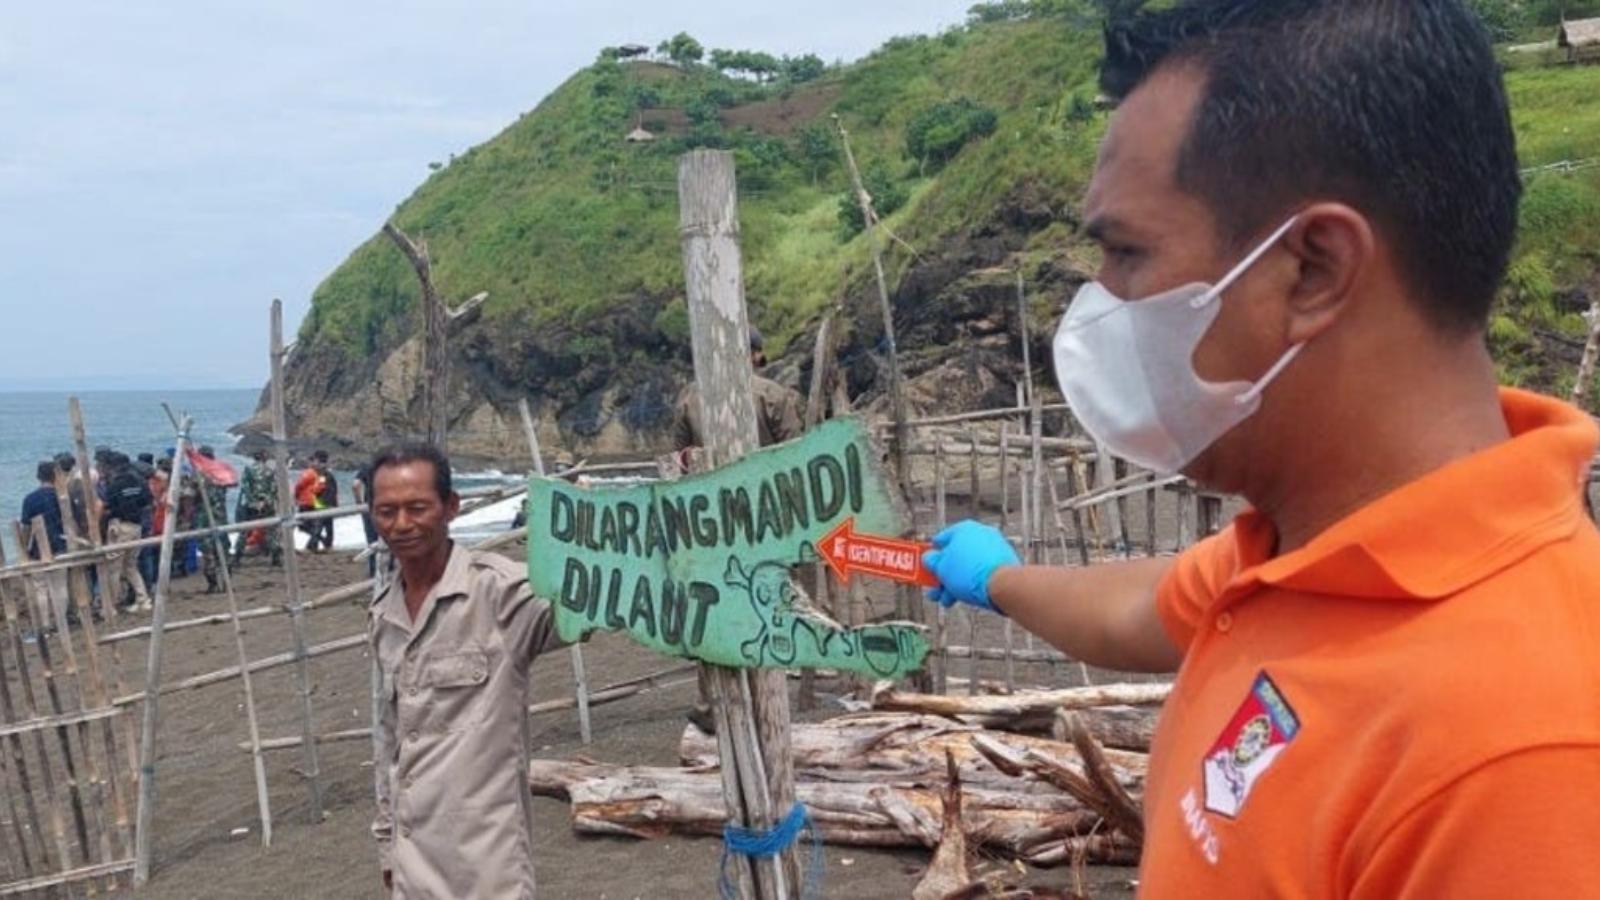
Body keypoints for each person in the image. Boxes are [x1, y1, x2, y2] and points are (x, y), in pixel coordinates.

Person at [922, 2, 1600, 896]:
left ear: (1312, 269)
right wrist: (995, 579)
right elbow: (1143, 607)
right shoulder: (1310, 555)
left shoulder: (1525, 759)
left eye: (1126, 252)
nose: (1099, 301)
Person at [366, 443, 571, 897]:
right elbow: (388, 740)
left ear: (450, 507)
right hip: (412, 861)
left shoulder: (502, 593)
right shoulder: (385, 614)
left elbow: (591, 602)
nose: (401, 524)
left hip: (486, 866)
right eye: (387, 511)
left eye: (417, 508)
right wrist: (387, 844)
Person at [671, 326, 808, 736]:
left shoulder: (691, 398)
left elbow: (679, 462)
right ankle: (770, 689)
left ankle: (711, 698)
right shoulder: (773, 396)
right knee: (770, 596)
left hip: (710, 517)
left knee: (714, 601)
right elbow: (795, 457)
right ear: (754, 355)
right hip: (766, 514)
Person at [670, 325, 805, 454]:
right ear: (754, 356)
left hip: (715, 476)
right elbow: (794, 449)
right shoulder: (772, 393)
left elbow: (680, 459)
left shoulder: (688, 397)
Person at [20, 461, 72, 631]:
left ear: (38, 477)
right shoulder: (62, 496)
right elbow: (70, 522)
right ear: (55, 476)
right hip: (60, 543)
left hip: (38, 548)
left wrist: (23, 548)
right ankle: (60, 622)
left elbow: (26, 527)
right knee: (60, 586)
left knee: (40, 587)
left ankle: (44, 624)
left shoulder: (30, 499)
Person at [103, 453, 154, 613]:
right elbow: (147, 501)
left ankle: (111, 606)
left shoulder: (114, 485)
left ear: (114, 467)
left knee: (114, 568)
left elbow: (109, 505)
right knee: (131, 566)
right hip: (136, 525)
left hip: (119, 526)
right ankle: (143, 599)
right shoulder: (139, 482)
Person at [234, 450, 281, 566]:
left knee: (244, 531)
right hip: (267, 505)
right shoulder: (270, 471)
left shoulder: (249, 469)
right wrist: (266, 501)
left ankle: (236, 557)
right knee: (271, 531)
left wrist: (253, 502)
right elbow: (274, 489)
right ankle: (276, 557)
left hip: (251, 505)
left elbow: (245, 487)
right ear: (265, 458)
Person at [194, 446, 231, 594]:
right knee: (223, 551)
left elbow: (190, 494)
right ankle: (226, 584)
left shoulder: (199, 476)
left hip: (206, 519)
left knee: (208, 553)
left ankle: (213, 584)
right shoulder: (221, 473)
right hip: (221, 516)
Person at [295, 451, 329, 553]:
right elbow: (320, 488)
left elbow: (298, 486)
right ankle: (317, 541)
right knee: (314, 524)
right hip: (315, 501)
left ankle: (318, 540)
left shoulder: (309, 473)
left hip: (306, 502)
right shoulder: (320, 474)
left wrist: (295, 497)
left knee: (303, 525)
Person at [351, 463, 381, 577]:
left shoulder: (367, 467)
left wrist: (359, 502)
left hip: (369, 507)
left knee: (372, 540)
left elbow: (355, 485)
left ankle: (374, 571)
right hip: (387, 506)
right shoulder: (389, 467)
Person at [315, 454, 338, 553]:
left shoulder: (323, 475)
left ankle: (317, 544)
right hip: (326, 502)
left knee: (320, 525)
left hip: (323, 503)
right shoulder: (326, 474)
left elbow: (319, 489)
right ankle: (327, 544)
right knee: (327, 525)